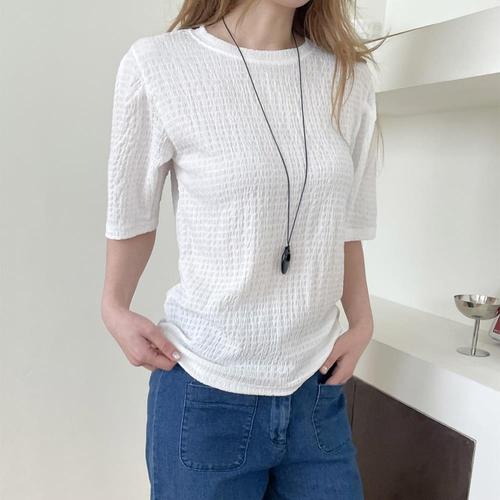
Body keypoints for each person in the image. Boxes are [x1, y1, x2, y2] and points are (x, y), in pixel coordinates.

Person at [101, 0, 382, 498]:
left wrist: (361, 322)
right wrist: (114, 306)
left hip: (315, 391)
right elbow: (133, 212)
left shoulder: (348, 76)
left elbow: (346, 223)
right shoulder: (159, 65)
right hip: (206, 389)